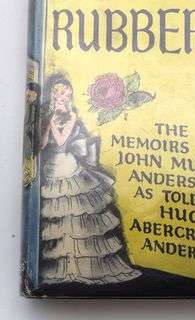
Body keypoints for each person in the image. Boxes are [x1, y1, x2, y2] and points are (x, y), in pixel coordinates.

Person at [38, 74, 140, 286]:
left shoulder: (72, 115)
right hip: (52, 168)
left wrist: (55, 122)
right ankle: (66, 267)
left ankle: (82, 268)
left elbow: (62, 141)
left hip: (68, 164)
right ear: (53, 95)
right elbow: (43, 144)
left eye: (66, 93)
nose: (62, 97)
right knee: (60, 218)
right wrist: (48, 124)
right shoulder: (49, 115)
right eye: (58, 93)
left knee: (75, 214)